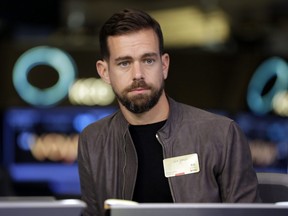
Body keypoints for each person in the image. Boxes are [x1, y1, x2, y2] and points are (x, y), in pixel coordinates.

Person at [77, 8, 261, 216]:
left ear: (164, 65)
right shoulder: (93, 140)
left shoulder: (222, 135)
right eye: (124, 63)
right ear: (104, 72)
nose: (138, 74)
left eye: (148, 60)